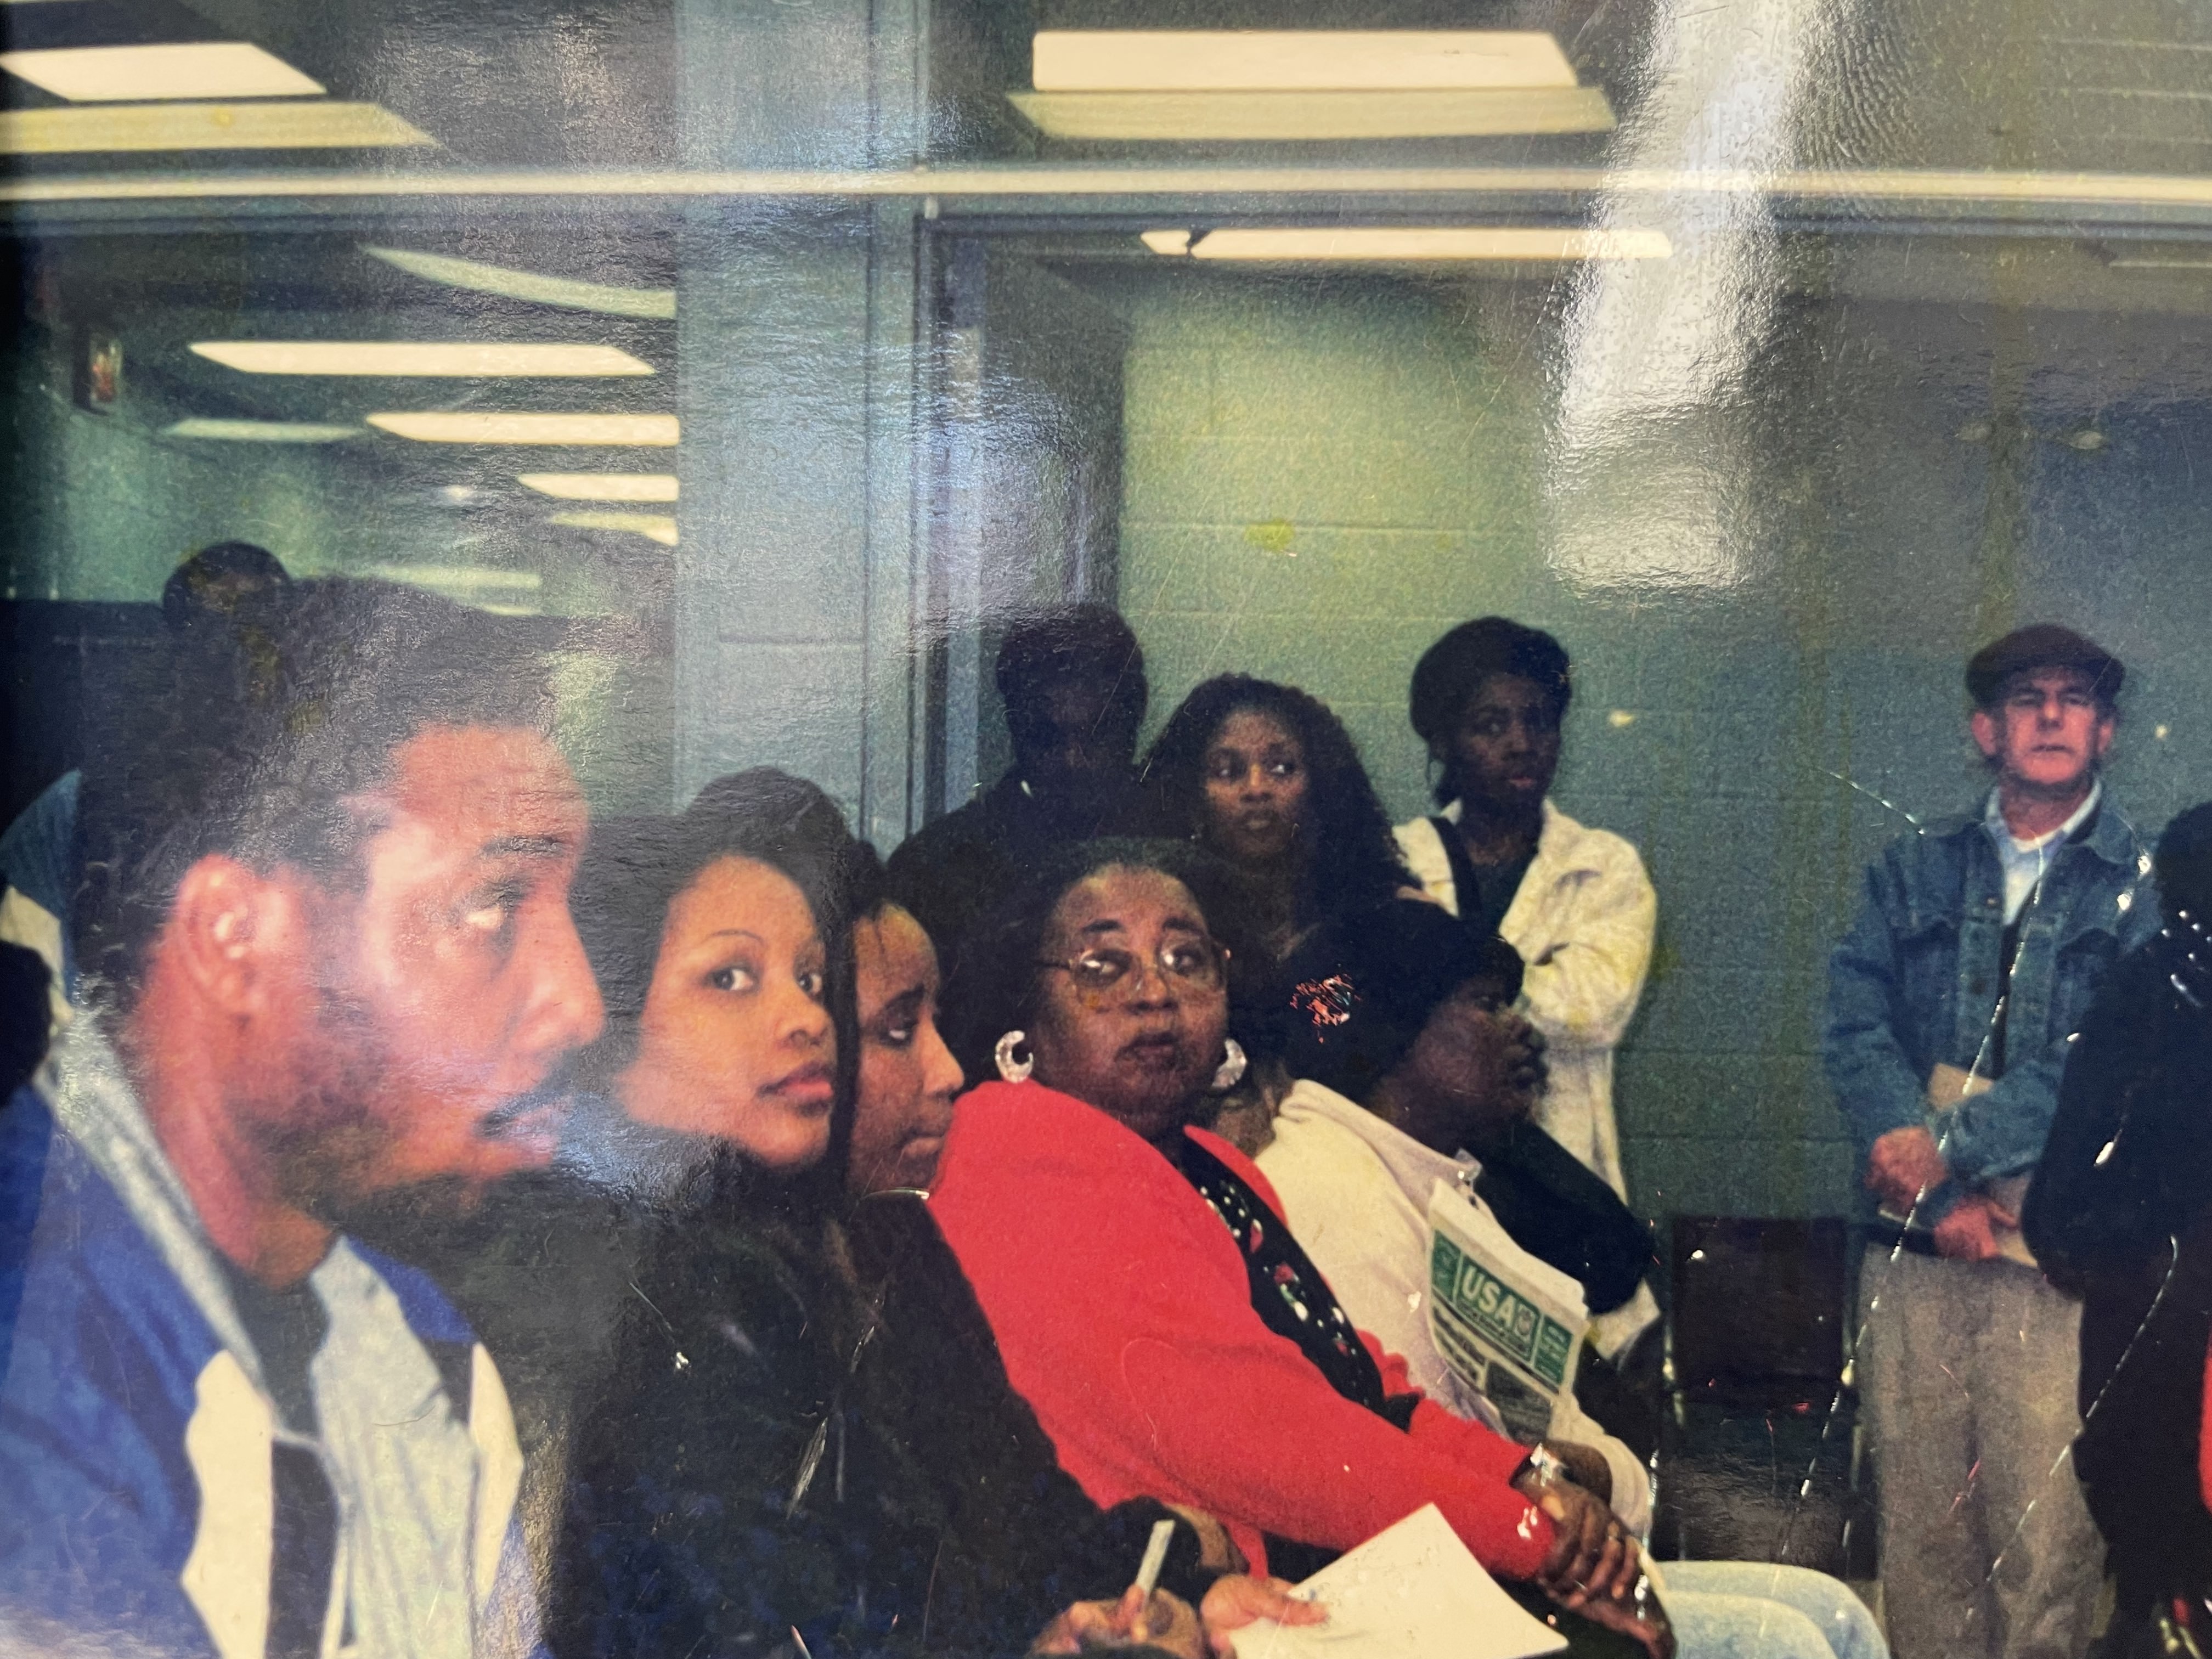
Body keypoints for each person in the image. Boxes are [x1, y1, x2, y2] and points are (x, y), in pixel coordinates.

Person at [557, 777, 1312, 1659]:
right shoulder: (673, 1294)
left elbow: (1028, 1535)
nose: (801, 1020)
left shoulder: (888, 1235)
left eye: (808, 981)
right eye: (894, 1029)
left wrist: (1173, 1588)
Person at [0, 577, 605, 1657]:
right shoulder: (39, 1376)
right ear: (238, 939)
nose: (581, 1003)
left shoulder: (418, 1347)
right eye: (493, 908)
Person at [930, 839, 1674, 1658]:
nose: (1155, 993)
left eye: (1187, 959)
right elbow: (1258, 1432)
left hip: (1281, 1585)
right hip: (1149, 1613)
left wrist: (1529, 1479)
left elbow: (1360, 1382)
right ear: (1023, 1023)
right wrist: (1532, 1535)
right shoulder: (1013, 1142)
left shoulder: (1212, 1165)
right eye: (1103, 967)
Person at [1249, 899, 1888, 1659]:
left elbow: (1607, 1468)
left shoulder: (1449, 1195)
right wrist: (1561, 1480)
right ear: (1395, 1029)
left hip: (1510, 1556)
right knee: (1786, 1644)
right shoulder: (1322, 1187)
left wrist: (1577, 1472)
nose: (1522, 1029)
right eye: (1487, 1005)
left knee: (1832, 1611)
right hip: (1411, 1591)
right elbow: (1412, 1476)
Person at [1824, 623, 2157, 1659]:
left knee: (2045, 1540)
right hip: (1915, 1247)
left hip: (2053, 1257)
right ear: (1985, 729)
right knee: (1922, 1536)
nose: (2050, 715)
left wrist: (1947, 1146)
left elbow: (2106, 1062)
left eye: (2072, 699)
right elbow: (1853, 1021)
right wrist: (1934, 1187)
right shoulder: (1908, 866)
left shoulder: (2146, 889)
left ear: (2104, 732)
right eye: (2026, 698)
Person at [1392, 618, 1660, 1355]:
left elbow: (1593, 1007)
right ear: (1444, 742)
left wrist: (1447, 987)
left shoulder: (1605, 868)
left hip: (1556, 1180)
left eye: (1538, 721)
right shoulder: (1396, 862)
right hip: (1429, 1173)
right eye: (1491, 724)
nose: (1520, 743)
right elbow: (1370, 1005)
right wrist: (1505, 985)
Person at [2022, 801, 2212, 1655]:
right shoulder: (2146, 988)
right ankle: (2154, 1604)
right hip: (2156, 1286)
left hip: (2160, 1286)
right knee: (2138, 1473)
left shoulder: (2147, 984)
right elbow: (2068, 1176)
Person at [0, 540, 291, 1025]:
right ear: (176, 662)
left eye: (262, 634)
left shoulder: (351, 809)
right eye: (213, 638)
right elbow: (29, 1010)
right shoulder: (74, 813)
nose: (240, 665)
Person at [886, 603, 1147, 980]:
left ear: (1135, 721)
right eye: (1047, 739)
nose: (1073, 759)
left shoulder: (1184, 843)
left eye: (1097, 735)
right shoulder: (938, 868)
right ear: (1015, 729)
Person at [1132, 676, 1412, 967]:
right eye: (1227, 771)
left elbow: (1336, 1013)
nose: (1257, 789)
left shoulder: (1382, 911)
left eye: (1281, 768)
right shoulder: (1157, 916)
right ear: (1191, 792)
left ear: (1319, 782)